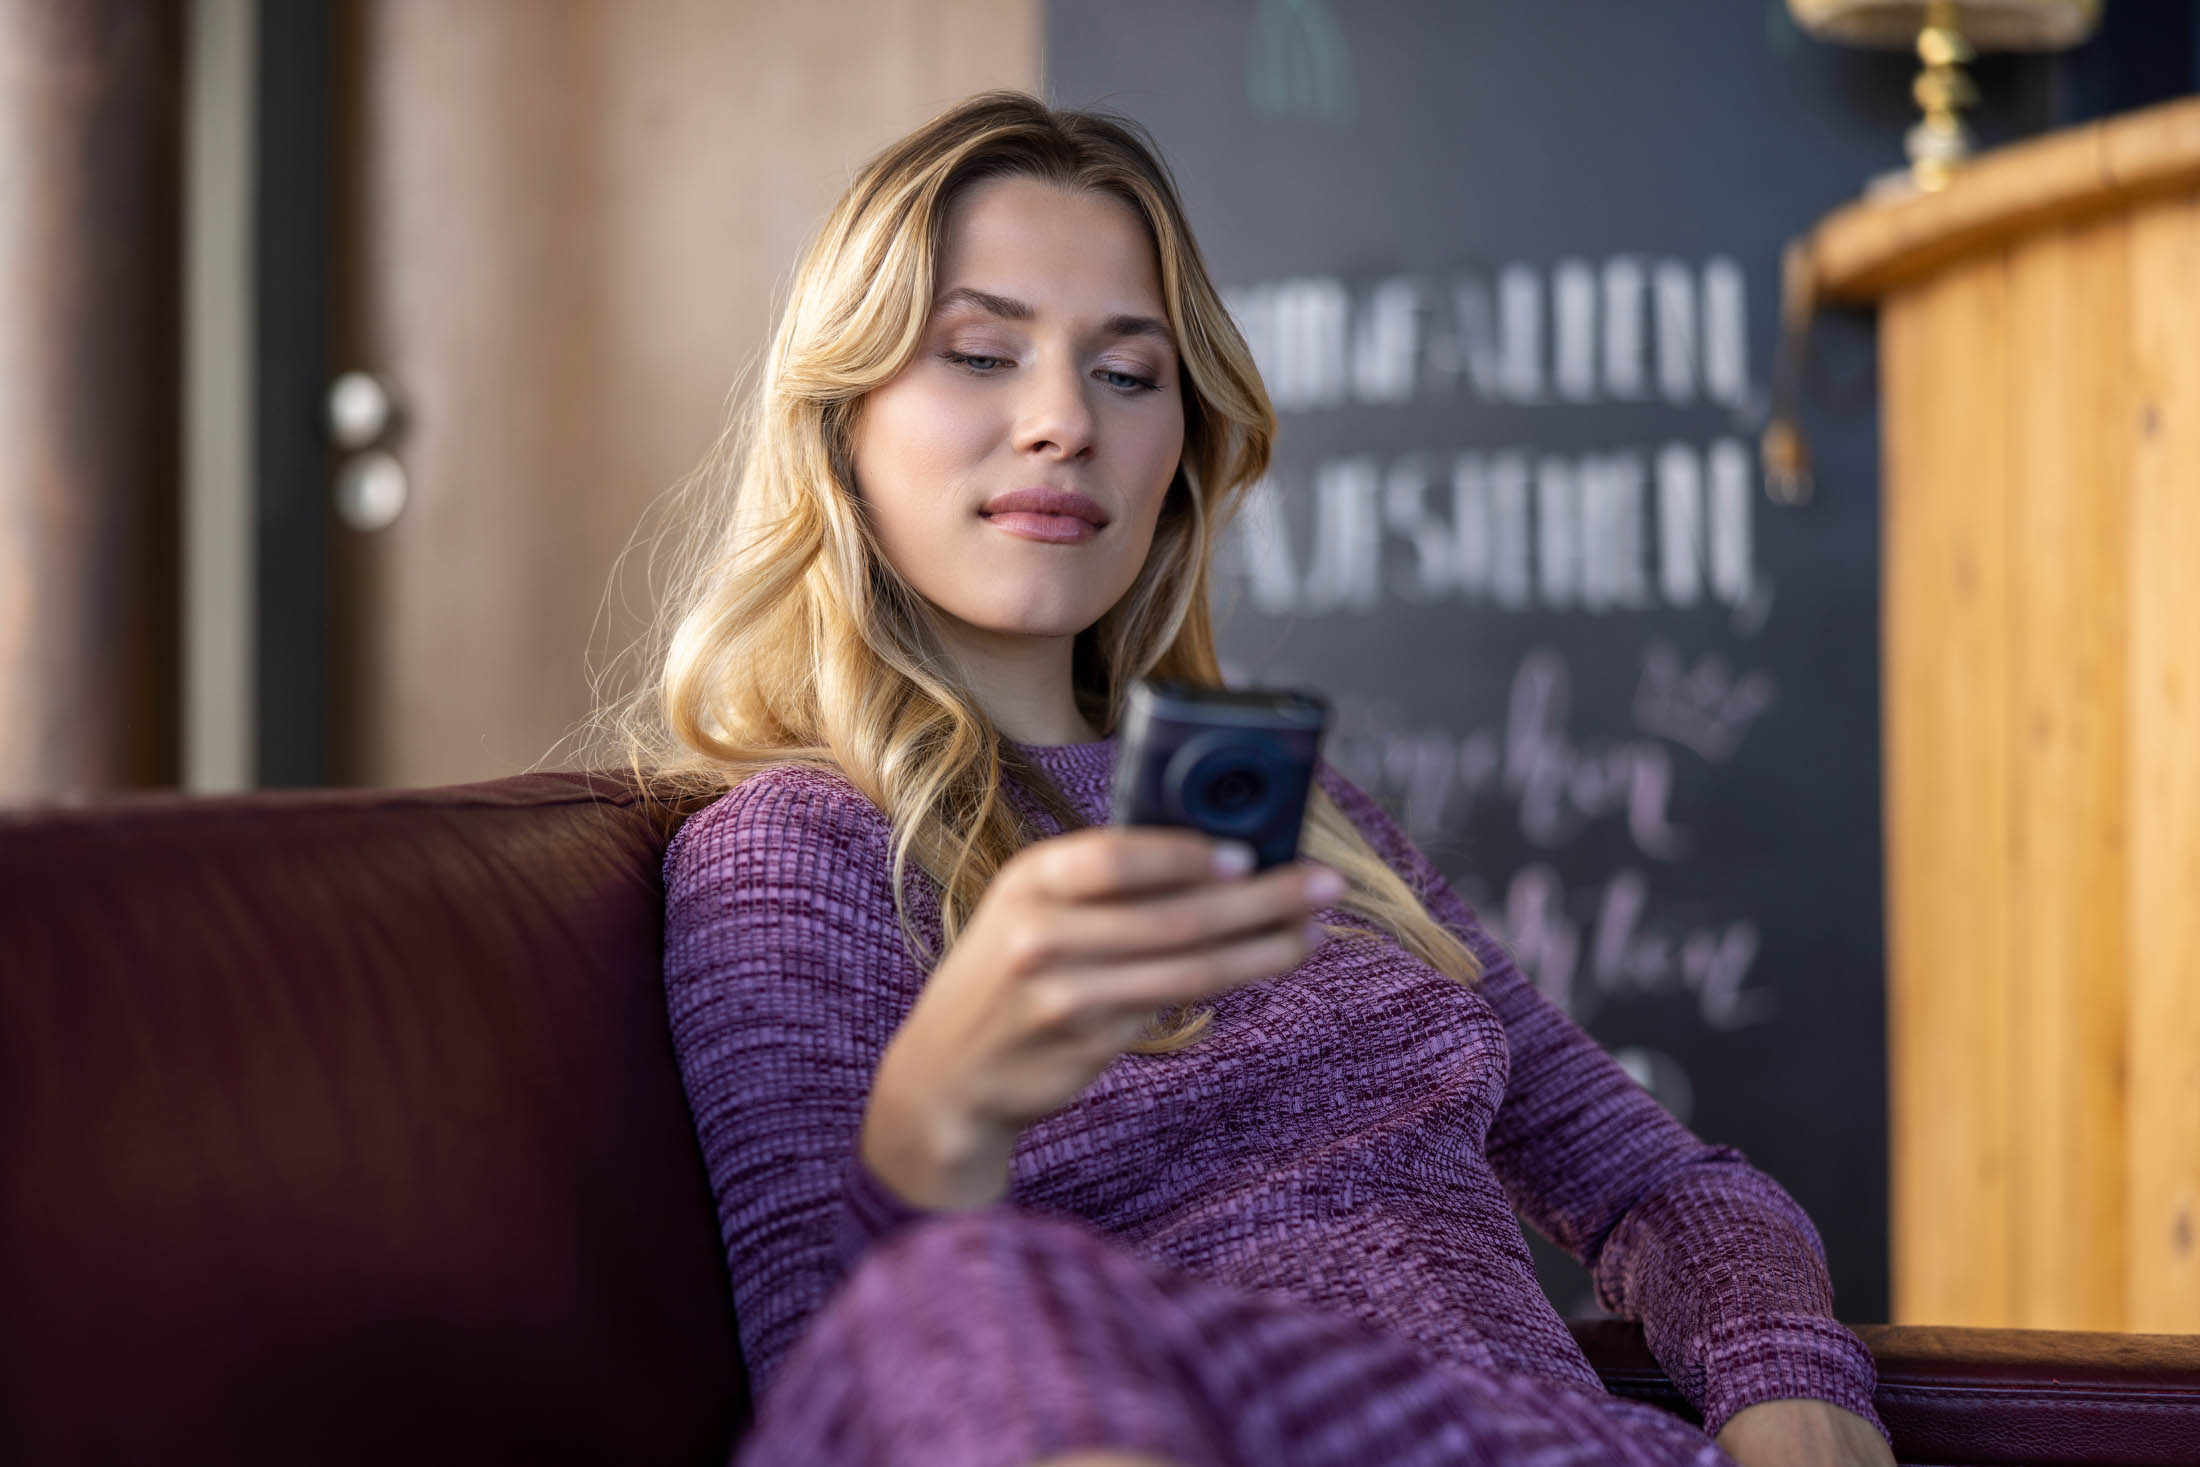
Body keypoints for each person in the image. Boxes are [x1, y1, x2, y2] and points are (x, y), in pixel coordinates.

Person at [614, 90, 1895, 1467]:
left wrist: (1792, 1392)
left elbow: (1655, 1180)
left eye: (1127, 371)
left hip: (1533, 1443)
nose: (1061, 421)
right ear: (840, 423)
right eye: (979, 354)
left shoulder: (1308, 822)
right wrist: (936, 1137)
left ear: (1182, 449)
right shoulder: (792, 856)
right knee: (956, 1292)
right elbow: (855, 1372)